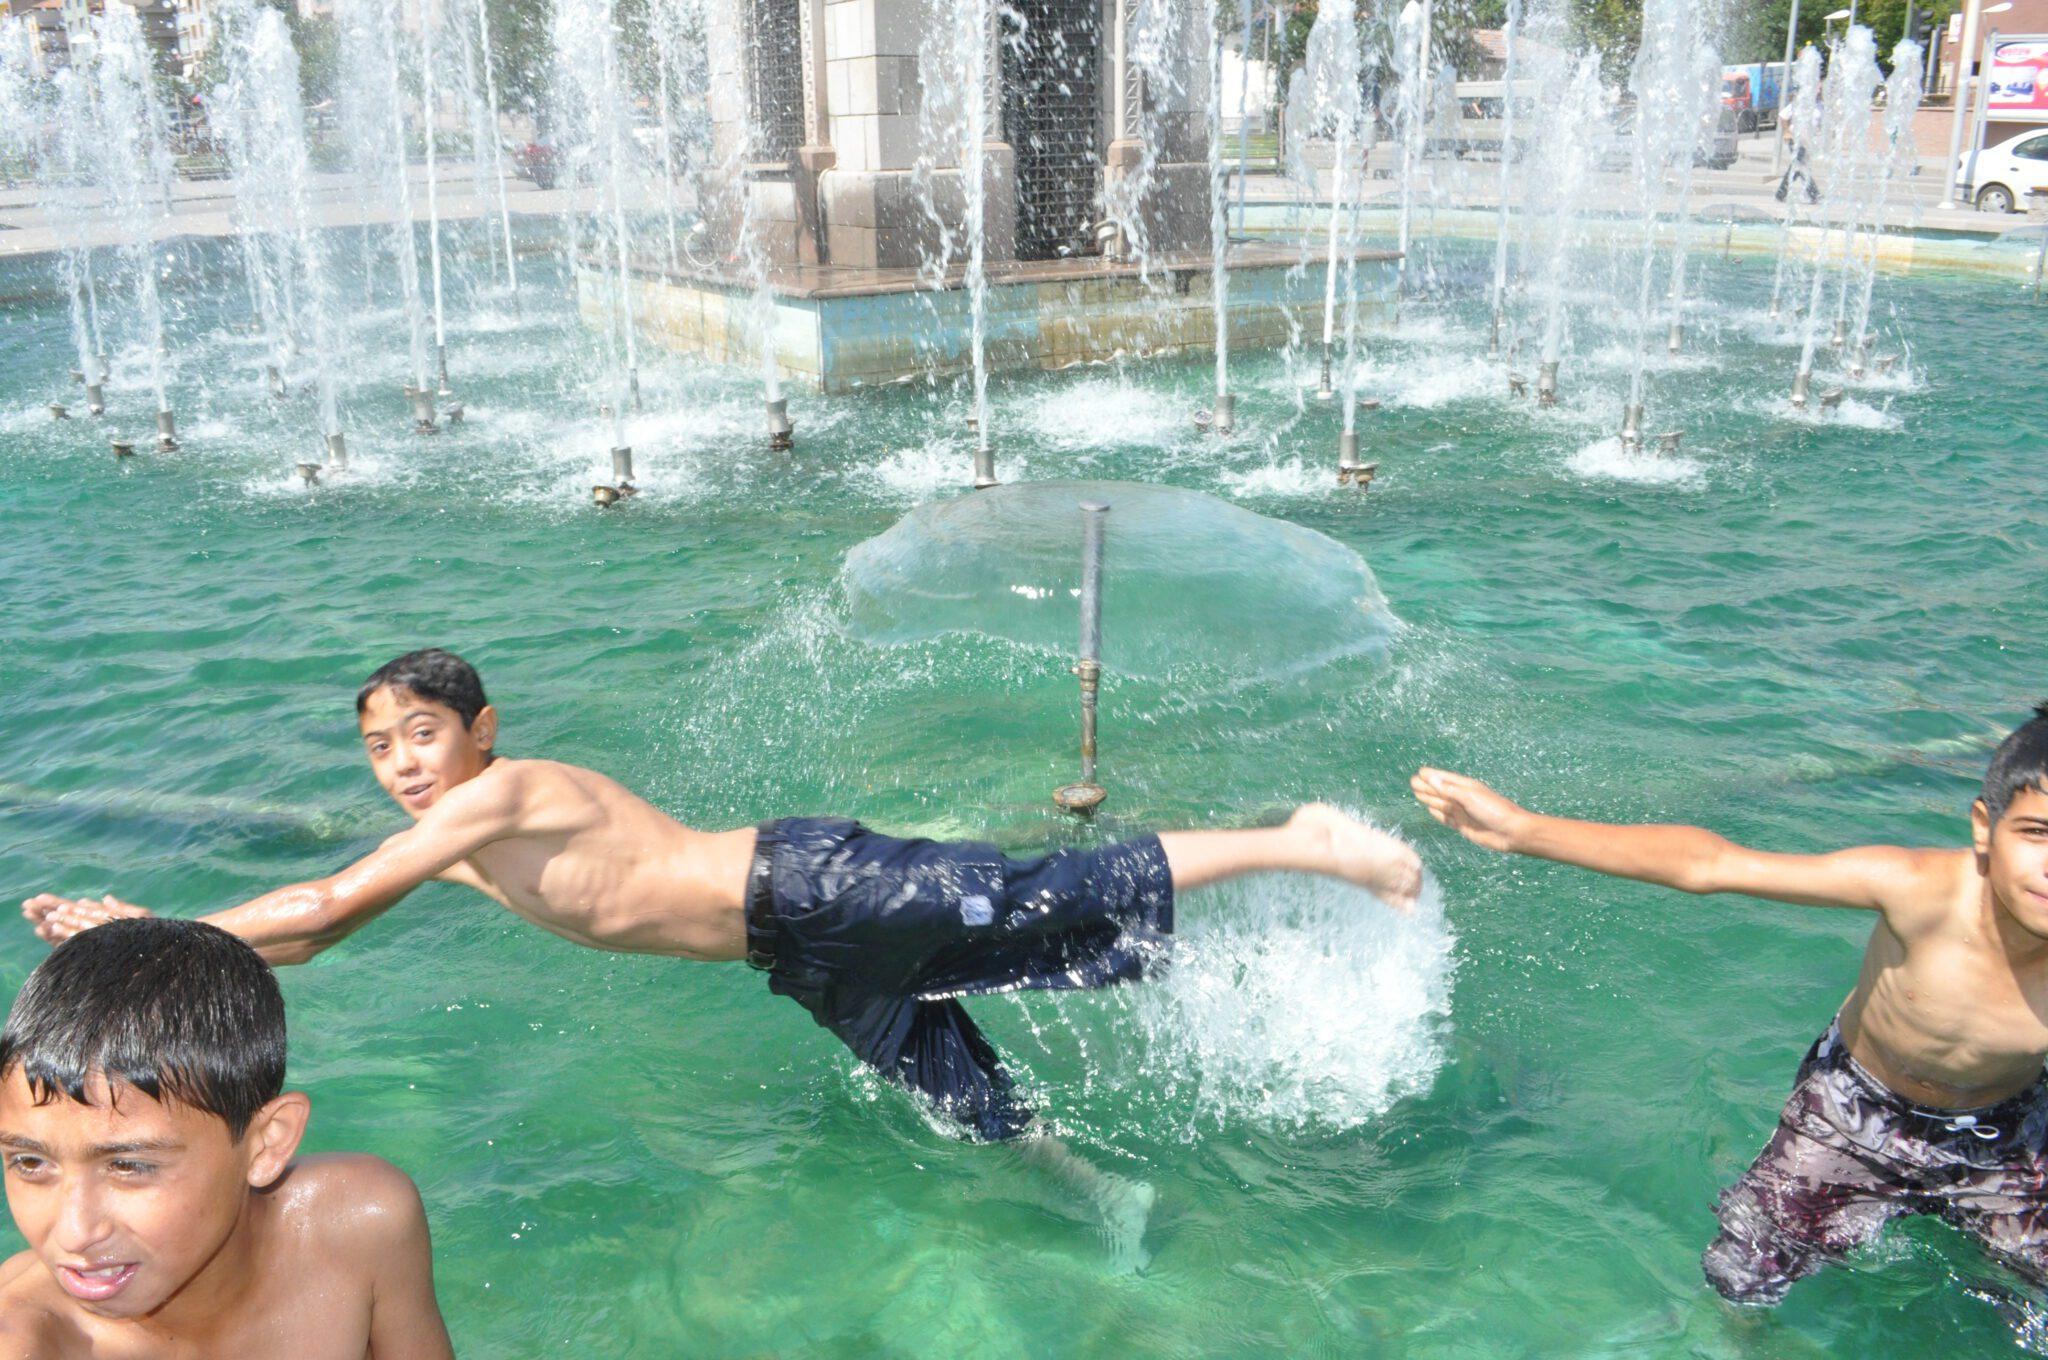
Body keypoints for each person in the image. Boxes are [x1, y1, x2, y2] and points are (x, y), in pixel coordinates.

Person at [24, 650, 1422, 1255]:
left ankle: (1300, 838)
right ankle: (1098, 1197)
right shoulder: (458, 832)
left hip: (809, 886)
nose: (403, 766)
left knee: (1049, 893)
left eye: (422, 737)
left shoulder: (502, 797)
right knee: (947, 1085)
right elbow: (318, 943)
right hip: (793, 950)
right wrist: (155, 945)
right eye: (380, 749)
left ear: (482, 729)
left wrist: (146, 927)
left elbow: (321, 902)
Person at [1410, 704, 2048, 1305]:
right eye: (2037, 832)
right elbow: (1711, 864)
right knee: (1743, 1276)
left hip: (2004, 1133)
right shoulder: (1919, 891)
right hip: (1854, 1112)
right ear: (1982, 828)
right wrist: (1524, 830)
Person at [0, 917, 452, 1357]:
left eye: (129, 1165)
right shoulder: (26, 1342)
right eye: (29, 1162)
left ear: (267, 1143)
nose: (76, 1233)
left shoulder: (363, 1225)